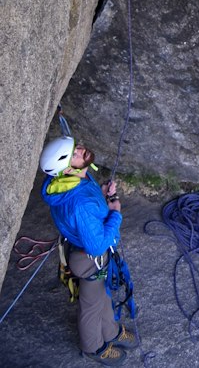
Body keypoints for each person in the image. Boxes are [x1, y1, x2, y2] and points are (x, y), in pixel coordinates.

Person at [39, 133, 137, 361]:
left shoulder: (70, 180)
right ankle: (93, 348)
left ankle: (110, 331)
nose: (80, 149)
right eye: (74, 154)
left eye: (76, 147)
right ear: (67, 170)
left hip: (83, 251)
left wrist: (103, 196)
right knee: (91, 304)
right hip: (90, 259)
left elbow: (86, 199)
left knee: (101, 296)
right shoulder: (79, 203)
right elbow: (97, 245)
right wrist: (115, 214)